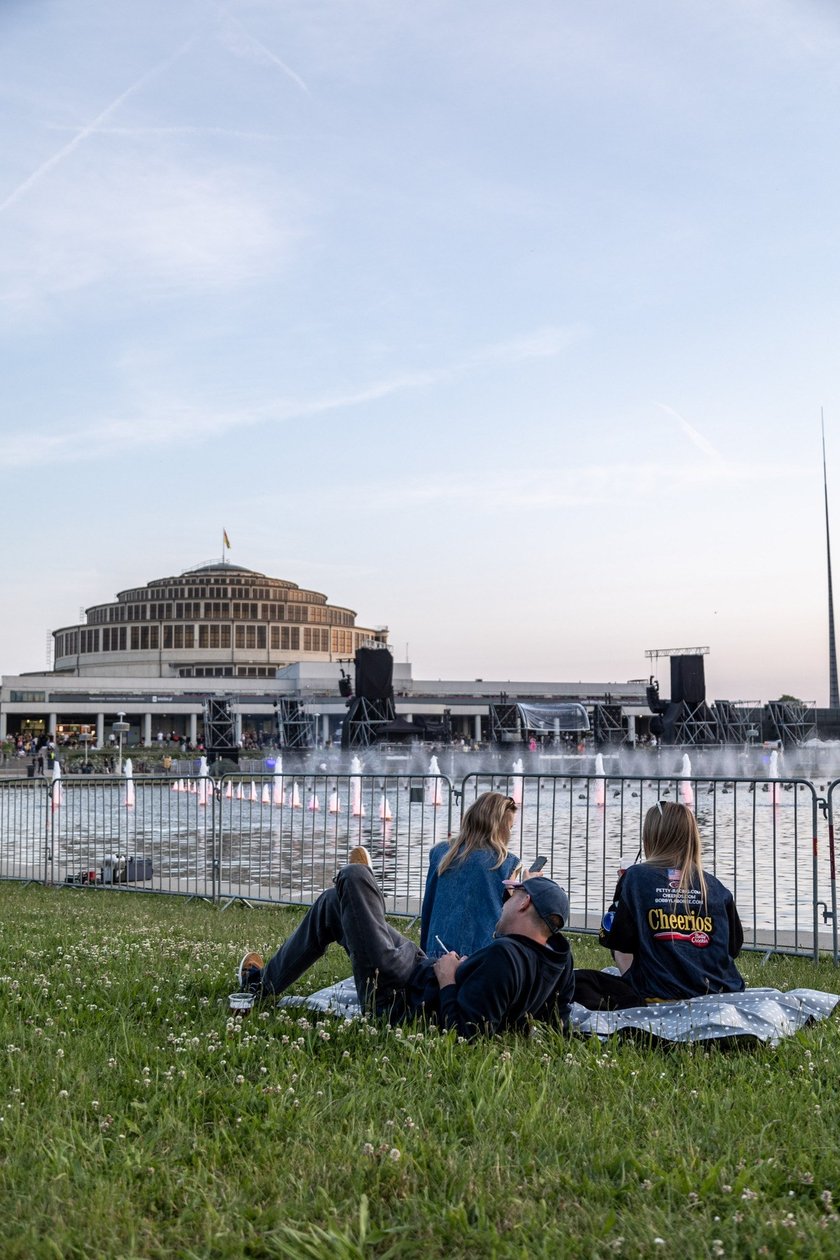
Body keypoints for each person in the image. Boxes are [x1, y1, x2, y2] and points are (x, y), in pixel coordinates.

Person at [237, 850, 575, 1039]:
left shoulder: (507, 956)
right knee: (332, 904)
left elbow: (464, 1034)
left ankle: (355, 887)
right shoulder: (558, 957)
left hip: (395, 990)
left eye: (511, 894)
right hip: (413, 964)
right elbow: (557, 1018)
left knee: (354, 877)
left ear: (525, 904)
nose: (504, 899)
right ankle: (260, 987)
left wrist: (448, 979)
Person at [574, 800, 744, 1009]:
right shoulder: (714, 885)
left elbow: (614, 938)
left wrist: (621, 894)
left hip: (659, 994)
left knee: (578, 981)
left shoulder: (636, 877)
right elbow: (733, 947)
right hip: (721, 992)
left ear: (651, 837)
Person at [420, 792, 520, 957]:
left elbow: (428, 908)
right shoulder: (504, 863)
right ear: (500, 829)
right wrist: (531, 886)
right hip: (480, 958)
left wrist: (424, 952)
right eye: (509, 828)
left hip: (436, 953)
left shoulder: (440, 853)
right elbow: (511, 922)